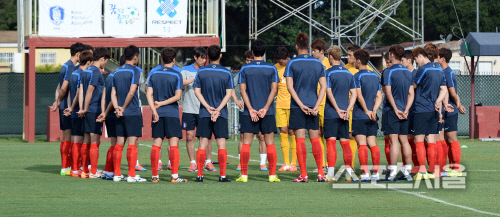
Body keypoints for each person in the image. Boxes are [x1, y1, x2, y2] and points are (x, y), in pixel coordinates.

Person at [236, 39, 280, 183]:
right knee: (270, 143)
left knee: (247, 142)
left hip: (249, 113)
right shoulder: (272, 68)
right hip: (268, 112)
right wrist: (266, 108)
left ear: (253, 52)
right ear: (264, 52)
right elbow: (274, 89)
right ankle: (272, 175)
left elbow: (242, 90)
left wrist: (251, 109)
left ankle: (244, 175)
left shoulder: (245, 69)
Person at [285, 32, 327, 182]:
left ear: (296, 46)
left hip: (298, 106)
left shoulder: (291, 63)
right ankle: (321, 173)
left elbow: (290, 87)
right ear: (309, 45)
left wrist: (301, 105)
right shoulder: (318, 63)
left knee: (300, 140)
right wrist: (316, 106)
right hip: (313, 105)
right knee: (315, 140)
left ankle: (304, 174)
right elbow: (323, 86)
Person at [147, 47, 188, 183]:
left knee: (156, 143)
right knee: (174, 144)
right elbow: (177, 96)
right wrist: (163, 103)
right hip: (171, 113)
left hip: (157, 113)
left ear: (161, 59)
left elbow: (148, 94)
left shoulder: (153, 74)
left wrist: (154, 110)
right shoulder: (177, 75)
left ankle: (154, 176)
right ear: (174, 60)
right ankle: (174, 176)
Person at [193, 45, 233, 182]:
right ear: (220, 55)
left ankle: (199, 174)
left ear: (208, 56)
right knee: (221, 144)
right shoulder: (226, 73)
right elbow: (229, 93)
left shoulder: (201, 71)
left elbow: (196, 91)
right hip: (221, 113)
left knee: (202, 143)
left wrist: (208, 108)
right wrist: (218, 109)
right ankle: (222, 175)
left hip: (205, 112)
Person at [411, 47, 449, 181]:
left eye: (416, 60)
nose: (417, 63)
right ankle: (433, 170)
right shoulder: (439, 69)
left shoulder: (423, 69)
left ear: (420, 56)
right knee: (432, 140)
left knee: (419, 140)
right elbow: (444, 89)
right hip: (434, 109)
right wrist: (438, 101)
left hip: (421, 108)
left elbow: (413, 86)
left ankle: (422, 170)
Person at [111, 45, 146, 182]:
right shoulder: (135, 71)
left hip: (119, 113)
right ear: (135, 57)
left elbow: (113, 93)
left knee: (119, 143)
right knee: (132, 143)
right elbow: (132, 92)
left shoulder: (116, 71)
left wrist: (117, 108)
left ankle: (117, 174)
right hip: (132, 111)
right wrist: (124, 108)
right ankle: (131, 174)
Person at [179, 47, 218, 173]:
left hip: (204, 109)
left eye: (205, 58)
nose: (204, 60)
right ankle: (193, 163)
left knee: (206, 136)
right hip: (189, 109)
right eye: (201, 57)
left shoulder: (207, 70)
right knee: (189, 137)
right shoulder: (185, 70)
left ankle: (208, 161)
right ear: (195, 57)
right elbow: (181, 83)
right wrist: (196, 78)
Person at [323, 46, 357, 182]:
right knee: (345, 143)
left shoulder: (328, 72)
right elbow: (354, 93)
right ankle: (349, 174)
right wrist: (347, 110)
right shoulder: (349, 73)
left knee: (331, 143)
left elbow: (329, 92)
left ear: (330, 57)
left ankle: (331, 175)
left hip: (332, 113)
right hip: (345, 113)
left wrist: (337, 109)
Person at [51, 42, 85, 176]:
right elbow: (64, 87)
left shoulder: (64, 65)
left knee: (66, 136)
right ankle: (69, 166)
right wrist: (63, 102)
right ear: (78, 54)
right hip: (69, 107)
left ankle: (65, 167)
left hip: (63, 105)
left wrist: (57, 100)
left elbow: (58, 86)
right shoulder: (72, 67)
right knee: (71, 137)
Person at [381, 45, 414, 181]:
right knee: (404, 141)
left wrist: (396, 109)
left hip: (392, 111)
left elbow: (387, 93)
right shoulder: (408, 72)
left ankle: (393, 173)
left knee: (394, 142)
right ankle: (408, 172)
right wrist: (406, 110)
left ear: (392, 55)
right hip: (405, 112)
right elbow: (411, 93)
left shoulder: (388, 71)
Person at [351, 48, 383, 182]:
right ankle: (375, 173)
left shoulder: (357, 76)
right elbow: (379, 95)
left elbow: (358, 96)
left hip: (360, 115)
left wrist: (366, 110)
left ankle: (365, 173)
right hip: (372, 116)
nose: (352, 62)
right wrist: (374, 110)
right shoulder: (375, 76)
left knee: (362, 144)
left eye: (354, 59)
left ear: (359, 61)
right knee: (372, 143)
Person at [78, 47, 110, 179]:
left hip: (86, 110)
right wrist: (85, 108)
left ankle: (85, 170)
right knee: (95, 141)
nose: (105, 64)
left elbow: (81, 90)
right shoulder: (96, 72)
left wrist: (81, 108)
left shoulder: (85, 71)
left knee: (86, 141)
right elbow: (90, 91)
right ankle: (94, 171)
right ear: (102, 59)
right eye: (106, 61)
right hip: (94, 109)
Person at [235, 50, 268, 171]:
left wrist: (264, 106)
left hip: (260, 109)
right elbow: (232, 87)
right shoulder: (243, 71)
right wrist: (237, 100)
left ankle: (263, 163)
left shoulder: (262, 71)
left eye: (251, 59)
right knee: (243, 137)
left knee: (262, 136)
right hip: (246, 109)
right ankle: (241, 162)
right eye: (247, 60)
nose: (249, 62)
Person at [343, 44, 375, 170]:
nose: (348, 57)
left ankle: (360, 168)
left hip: (359, 109)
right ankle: (353, 166)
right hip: (349, 107)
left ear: (358, 58)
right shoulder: (345, 68)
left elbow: (360, 95)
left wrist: (367, 109)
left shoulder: (362, 72)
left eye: (351, 55)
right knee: (351, 136)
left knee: (357, 138)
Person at [64, 51, 94, 178]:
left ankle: (74, 168)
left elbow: (70, 94)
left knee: (75, 139)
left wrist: (69, 107)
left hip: (74, 111)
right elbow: (78, 93)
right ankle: (79, 168)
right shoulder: (83, 74)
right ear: (88, 62)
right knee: (80, 140)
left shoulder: (73, 73)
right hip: (80, 111)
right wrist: (75, 107)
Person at [438, 47, 466, 177]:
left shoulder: (447, 72)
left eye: (437, 56)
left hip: (450, 109)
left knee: (451, 138)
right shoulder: (444, 71)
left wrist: (458, 104)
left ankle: (456, 168)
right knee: (446, 139)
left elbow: (452, 92)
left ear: (442, 58)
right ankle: (450, 167)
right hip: (446, 109)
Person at [274, 47, 297, 172]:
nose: (280, 62)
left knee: (292, 132)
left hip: (292, 104)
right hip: (280, 104)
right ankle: (286, 162)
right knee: (283, 131)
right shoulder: (275, 68)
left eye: (282, 60)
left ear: (287, 58)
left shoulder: (293, 66)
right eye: (279, 60)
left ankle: (294, 163)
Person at [311, 39, 331, 171]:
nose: (312, 53)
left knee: (327, 134)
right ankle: (322, 164)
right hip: (316, 102)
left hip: (326, 103)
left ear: (321, 51)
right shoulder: (313, 64)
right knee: (318, 133)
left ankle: (330, 164)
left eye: (314, 51)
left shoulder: (328, 64)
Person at [401, 50, 420, 174]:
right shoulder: (404, 74)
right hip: (406, 110)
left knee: (414, 139)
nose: (401, 63)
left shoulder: (416, 74)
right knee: (406, 138)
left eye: (402, 61)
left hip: (415, 110)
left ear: (409, 60)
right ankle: (407, 165)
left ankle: (418, 165)